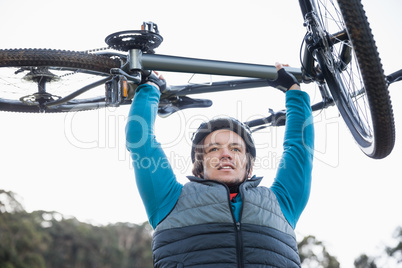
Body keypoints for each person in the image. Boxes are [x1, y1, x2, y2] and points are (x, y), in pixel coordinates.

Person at [126, 63, 314, 267]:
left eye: (235, 149)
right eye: (213, 149)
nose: (225, 154)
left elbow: (300, 151)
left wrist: (294, 90)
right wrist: (150, 89)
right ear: (199, 167)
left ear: (249, 167)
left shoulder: (281, 203)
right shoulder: (168, 200)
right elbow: (141, 141)